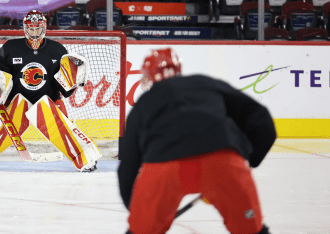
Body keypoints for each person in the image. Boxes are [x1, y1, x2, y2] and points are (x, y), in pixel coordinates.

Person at [117, 48, 276, 234]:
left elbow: (128, 164)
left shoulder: (145, 101)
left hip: (165, 167)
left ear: (149, 76)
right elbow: (262, 120)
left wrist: (138, 211)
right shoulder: (205, 83)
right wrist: (249, 161)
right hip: (222, 161)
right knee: (252, 231)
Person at [0, 10, 101, 172]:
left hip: (49, 102)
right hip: (17, 103)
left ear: (44, 27)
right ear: (25, 28)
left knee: (66, 129)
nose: (34, 32)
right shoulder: (10, 48)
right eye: (31, 29)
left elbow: (65, 90)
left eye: (37, 28)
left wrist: (74, 82)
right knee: (0, 130)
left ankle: (86, 157)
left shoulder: (57, 50)